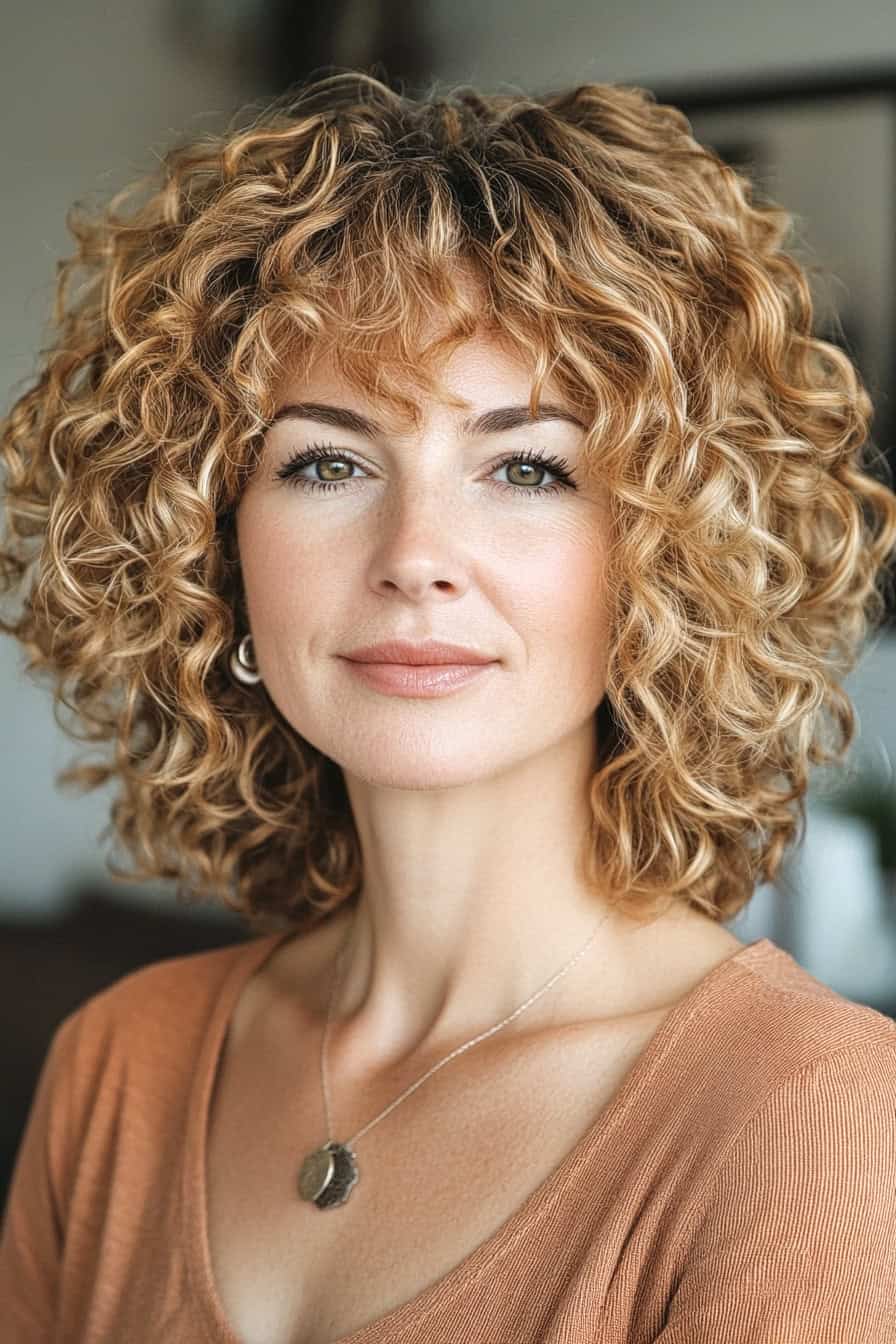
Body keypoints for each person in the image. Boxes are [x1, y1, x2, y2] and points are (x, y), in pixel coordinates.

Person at [1, 67, 894, 1344]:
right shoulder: (118, 1065)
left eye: (527, 466)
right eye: (325, 460)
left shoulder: (811, 1121)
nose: (415, 551)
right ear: (211, 545)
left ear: (664, 550)